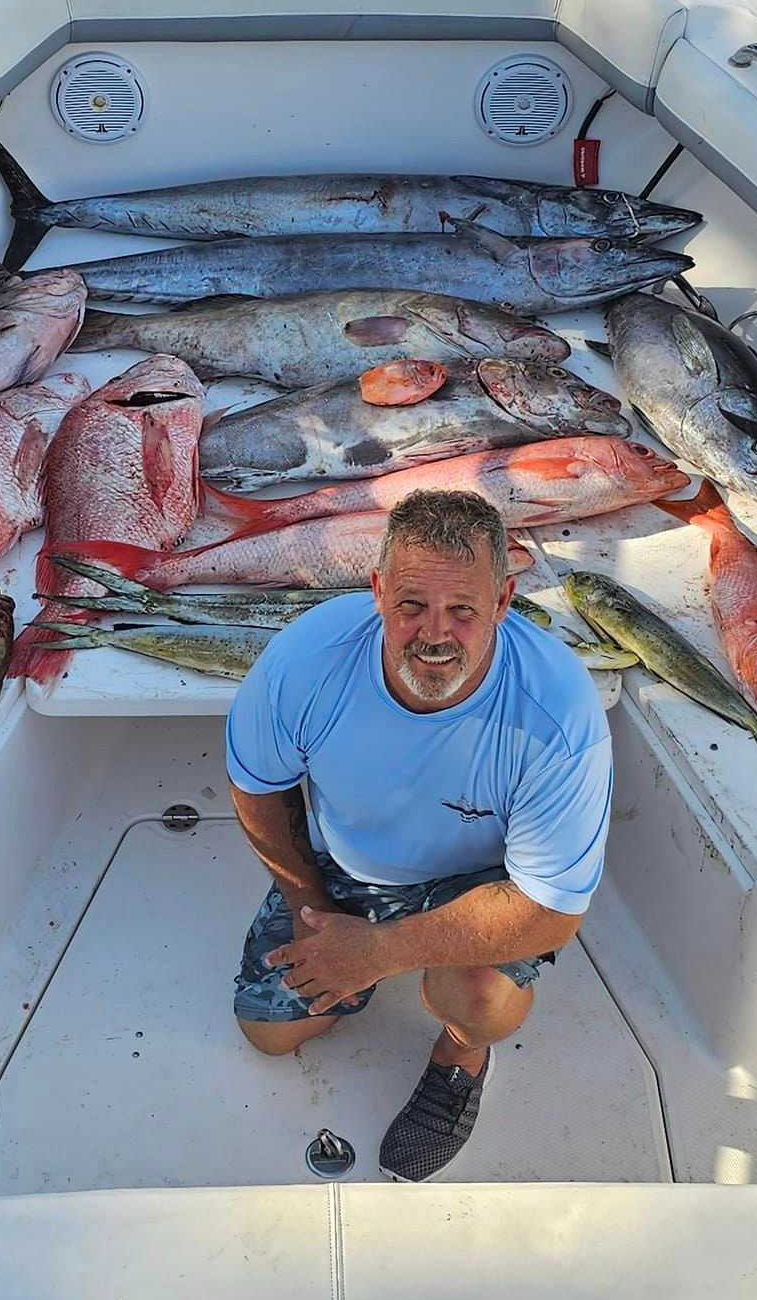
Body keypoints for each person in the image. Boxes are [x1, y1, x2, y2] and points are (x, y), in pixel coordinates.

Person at [225, 489, 613, 1182]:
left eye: (463, 610)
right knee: (270, 1033)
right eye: (411, 604)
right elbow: (257, 787)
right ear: (377, 591)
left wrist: (377, 952)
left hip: (483, 882)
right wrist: (312, 911)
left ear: (503, 601)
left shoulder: (560, 711)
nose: (434, 634)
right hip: (348, 865)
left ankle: (461, 1056)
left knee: (481, 1000)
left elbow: (552, 912)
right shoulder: (304, 660)